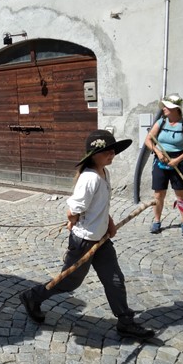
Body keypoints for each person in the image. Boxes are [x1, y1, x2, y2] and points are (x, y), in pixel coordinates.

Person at [20, 129, 155, 339]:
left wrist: (108, 223)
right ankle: (32, 296)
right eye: (106, 152)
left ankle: (125, 322)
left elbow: (100, 206)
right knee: (70, 282)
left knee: (115, 280)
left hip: (101, 240)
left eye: (113, 151)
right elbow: (72, 208)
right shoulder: (89, 178)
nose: (111, 154)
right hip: (83, 241)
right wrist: (72, 221)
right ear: (93, 155)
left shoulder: (104, 173)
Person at [144, 93, 183, 237]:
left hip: (178, 162)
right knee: (159, 193)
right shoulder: (161, 122)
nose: (164, 109)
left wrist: (178, 160)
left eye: (166, 107)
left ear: (175, 109)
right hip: (160, 161)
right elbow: (148, 140)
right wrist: (158, 152)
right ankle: (156, 221)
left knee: (180, 195)